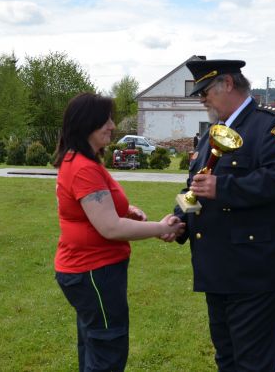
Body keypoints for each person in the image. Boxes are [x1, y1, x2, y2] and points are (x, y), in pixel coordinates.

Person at [171, 58, 275, 371]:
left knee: (253, 364)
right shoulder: (213, 135)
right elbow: (197, 185)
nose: (202, 98)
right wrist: (179, 220)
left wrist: (224, 187)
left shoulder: (271, 125)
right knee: (227, 359)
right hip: (218, 270)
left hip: (257, 271)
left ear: (228, 84)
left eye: (205, 91)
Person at [53, 92, 184, 372]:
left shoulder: (80, 161)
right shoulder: (83, 168)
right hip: (94, 271)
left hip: (87, 270)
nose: (112, 125)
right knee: (106, 350)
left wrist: (126, 209)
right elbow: (110, 227)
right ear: (86, 124)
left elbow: (93, 210)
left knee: (93, 344)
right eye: (106, 120)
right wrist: (160, 228)